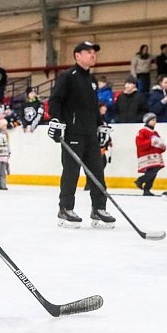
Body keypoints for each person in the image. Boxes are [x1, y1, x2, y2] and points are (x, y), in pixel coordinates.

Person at [46, 41, 115, 228]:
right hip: (72, 133)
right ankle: (65, 208)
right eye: (89, 52)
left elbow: (93, 108)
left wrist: (101, 125)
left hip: (90, 134)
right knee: (71, 172)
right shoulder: (67, 77)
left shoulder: (91, 81)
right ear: (78, 56)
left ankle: (98, 209)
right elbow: (55, 101)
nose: (93, 55)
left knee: (97, 171)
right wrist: (56, 120)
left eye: (94, 52)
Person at [134, 113, 165, 196]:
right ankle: (140, 180)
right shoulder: (142, 131)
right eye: (152, 120)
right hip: (147, 155)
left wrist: (162, 146)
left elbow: (158, 144)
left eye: (155, 120)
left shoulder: (155, 132)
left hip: (155, 155)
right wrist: (151, 142)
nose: (155, 122)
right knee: (153, 171)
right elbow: (139, 143)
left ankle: (146, 189)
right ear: (147, 121)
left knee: (153, 172)